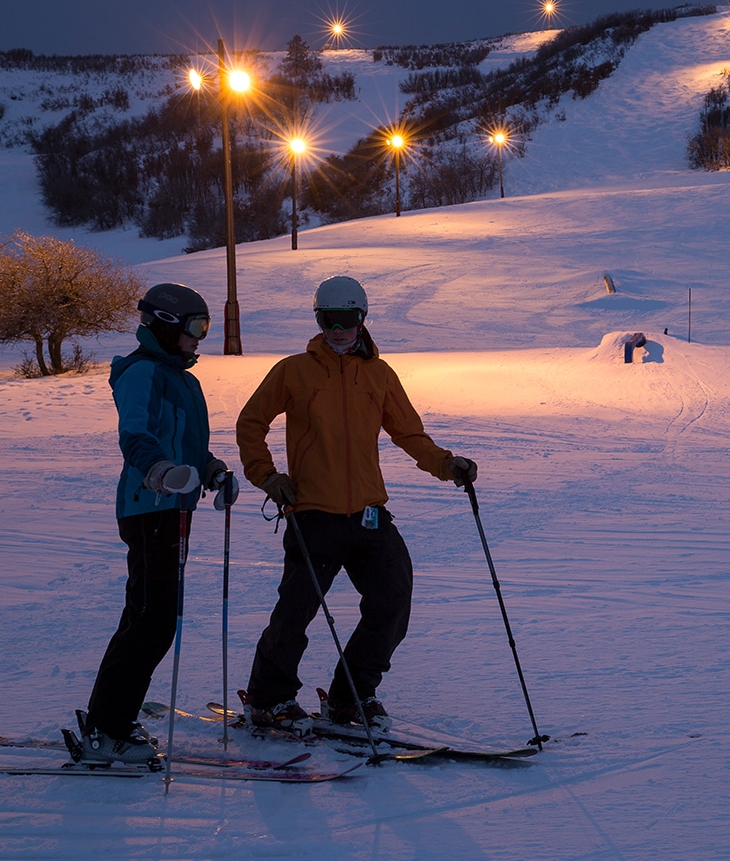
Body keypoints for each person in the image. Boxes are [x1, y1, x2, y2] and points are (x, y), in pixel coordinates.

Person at [236, 275, 477, 735]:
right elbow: (251, 423)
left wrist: (448, 465)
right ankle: (270, 700)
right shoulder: (294, 370)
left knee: (392, 599)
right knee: (296, 611)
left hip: (368, 513)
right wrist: (266, 476)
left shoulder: (380, 375)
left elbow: (408, 433)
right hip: (312, 512)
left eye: (347, 318)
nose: (338, 328)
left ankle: (350, 696)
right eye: (328, 319)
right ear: (318, 319)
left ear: (363, 318)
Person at [75, 282, 239, 765]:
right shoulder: (141, 372)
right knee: (153, 621)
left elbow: (184, 443)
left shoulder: (182, 378)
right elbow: (137, 434)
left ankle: (110, 718)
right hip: (149, 507)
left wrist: (209, 470)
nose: (199, 339)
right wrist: (160, 471)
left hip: (174, 511)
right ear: (166, 325)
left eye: (204, 328)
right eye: (195, 327)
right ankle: (108, 728)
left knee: (147, 615)